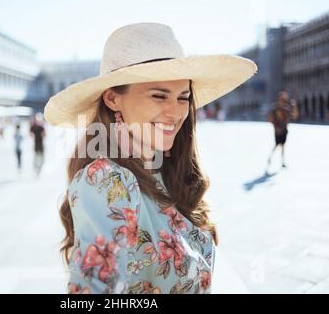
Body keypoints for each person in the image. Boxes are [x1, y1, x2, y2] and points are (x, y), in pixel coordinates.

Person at [44, 23, 257, 294]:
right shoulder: (107, 180)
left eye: (183, 97)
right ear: (112, 99)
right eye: (158, 95)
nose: (175, 112)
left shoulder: (167, 172)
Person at [267, 92, 299, 169]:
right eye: (282, 98)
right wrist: (276, 128)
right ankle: (271, 157)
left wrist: (294, 106)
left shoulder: (287, 108)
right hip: (278, 130)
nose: (283, 99)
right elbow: (271, 119)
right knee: (277, 144)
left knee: (282, 146)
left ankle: (281, 161)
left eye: (284, 98)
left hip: (284, 129)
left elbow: (294, 116)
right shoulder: (275, 108)